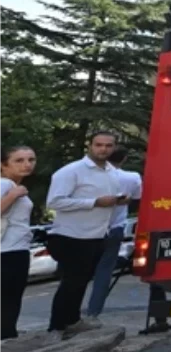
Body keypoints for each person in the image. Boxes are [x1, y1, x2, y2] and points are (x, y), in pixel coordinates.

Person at [45, 131, 126, 336]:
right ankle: (56, 326)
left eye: (108, 146)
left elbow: (106, 201)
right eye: (99, 145)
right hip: (71, 236)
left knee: (81, 281)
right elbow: (54, 202)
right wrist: (94, 202)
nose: (103, 149)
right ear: (90, 146)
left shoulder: (111, 172)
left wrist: (118, 200)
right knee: (70, 282)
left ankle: (72, 320)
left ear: (114, 147)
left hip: (97, 235)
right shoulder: (72, 171)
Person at [86, 145, 141, 318]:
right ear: (124, 159)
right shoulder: (131, 178)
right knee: (104, 272)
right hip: (114, 229)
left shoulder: (89, 176)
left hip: (87, 229)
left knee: (78, 272)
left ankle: (69, 312)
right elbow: (138, 198)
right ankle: (93, 312)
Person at [0, 146, 37, 340]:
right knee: (9, 300)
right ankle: (6, 339)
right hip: (8, 251)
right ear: (3, 165)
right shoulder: (5, 185)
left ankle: (7, 336)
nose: (27, 164)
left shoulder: (12, 185)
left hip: (14, 249)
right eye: (19, 160)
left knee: (10, 300)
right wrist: (13, 195)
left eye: (31, 160)